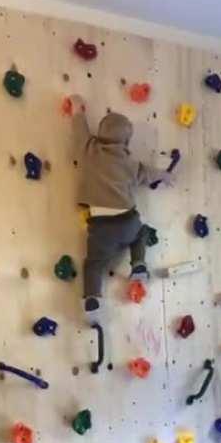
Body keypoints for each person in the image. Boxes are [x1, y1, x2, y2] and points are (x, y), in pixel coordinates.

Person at [70, 95, 174, 318]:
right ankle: (138, 264)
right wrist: (165, 175)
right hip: (127, 219)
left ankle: (92, 299)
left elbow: (79, 131)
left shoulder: (90, 150)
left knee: (94, 264)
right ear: (126, 141)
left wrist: (78, 109)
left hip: (101, 227)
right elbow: (148, 173)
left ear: (100, 134)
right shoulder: (129, 163)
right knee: (141, 233)